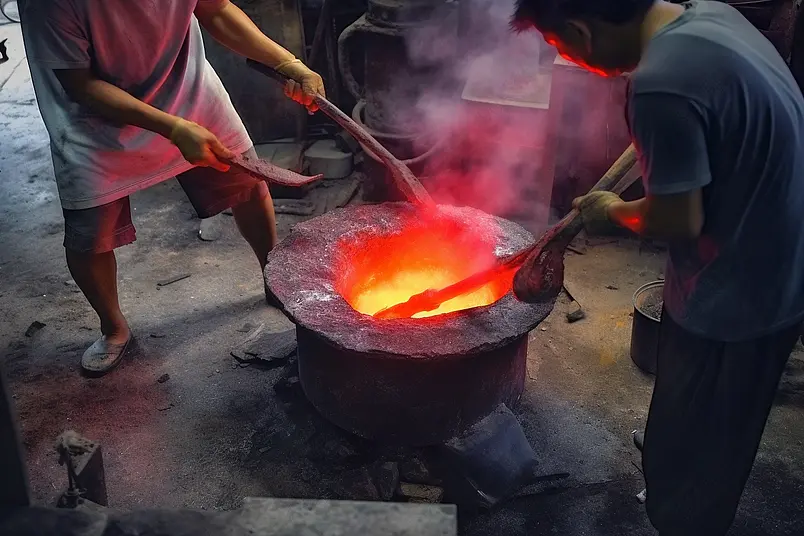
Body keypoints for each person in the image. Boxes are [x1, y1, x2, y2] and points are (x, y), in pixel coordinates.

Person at [512, 1, 804, 534]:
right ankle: (680, 458)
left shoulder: (661, 84)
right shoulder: (709, 15)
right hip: (775, 254)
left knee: (704, 450)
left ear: (580, 30)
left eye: (560, 47)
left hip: (740, 293)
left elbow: (678, 218)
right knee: (708, 417)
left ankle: (685, 509)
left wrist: (611, 212)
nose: (569, 58)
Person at [19, 0, 325, 376]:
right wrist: (174, 129)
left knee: (247, 184)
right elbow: (81, 84)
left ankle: (272, 276)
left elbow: (215, 10)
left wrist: (287, 62)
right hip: (91, 118)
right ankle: (113, 327)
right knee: (90, 235)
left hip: (184, 86)